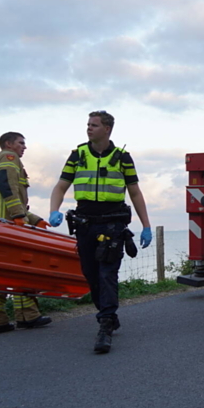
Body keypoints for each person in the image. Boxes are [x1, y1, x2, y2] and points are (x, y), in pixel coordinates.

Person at [48, 111, 152, 354]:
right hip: (85, 224)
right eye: (87, 124)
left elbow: (135, 192)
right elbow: (61, 186)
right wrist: (54, 210)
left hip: (112, 225)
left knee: (107, 274)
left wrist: (146, 225)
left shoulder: (122, 158)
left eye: (94, 125)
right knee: (90, 274)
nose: (88, 128)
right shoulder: (78, 155)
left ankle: (105, 323)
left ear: (107, 129)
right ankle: (108, 314)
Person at [0, 131, 52, 335]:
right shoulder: (8, 158)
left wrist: (33, 219)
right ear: (8, 144)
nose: (24, 147)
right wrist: (19, 215)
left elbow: (6, 197)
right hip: (6, 225)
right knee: (20, 267)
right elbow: (8, 188)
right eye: (21, 143)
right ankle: (26, 316)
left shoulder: (0, 162)